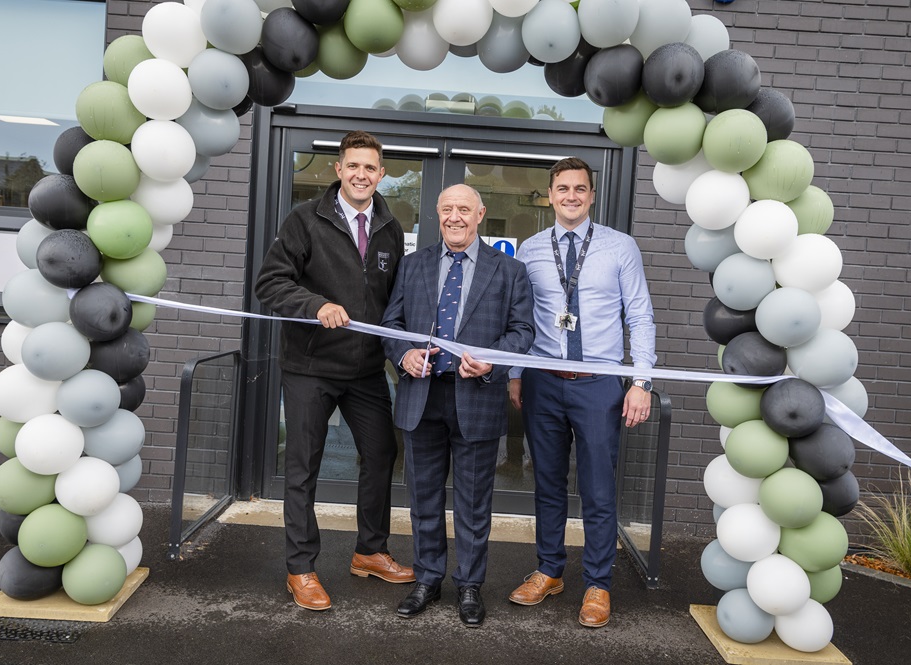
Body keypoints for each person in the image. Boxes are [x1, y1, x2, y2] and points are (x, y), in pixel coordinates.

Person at [254, 130, 414, 612]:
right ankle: (300, 568)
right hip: (311, 366)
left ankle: (370, 551)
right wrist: (315, 303)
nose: (362, 174)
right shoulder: (306, 219)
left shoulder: (390, 228)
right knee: (303, 467)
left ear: (381, 174)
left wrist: (400, 351)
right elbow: (270, 283)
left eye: (371, 168)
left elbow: (392, 302)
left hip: (365, 369)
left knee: (381, 454)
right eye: (354, 166)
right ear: (339, 170)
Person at [506, 157, 656, 628]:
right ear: (549, 195)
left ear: (591, 196)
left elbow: (640, 315)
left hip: (599, 385)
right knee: (546, 481)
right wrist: (514, 374)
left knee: (596, 487)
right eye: (562, 188)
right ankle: (549, 570)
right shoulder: (529, 250)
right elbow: (519, 318)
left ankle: (597, 583)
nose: (571, 196)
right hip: (543, 383)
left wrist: (641, 381)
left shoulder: (620, 247)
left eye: (580, 189)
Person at [380, 184, 535, 627]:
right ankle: (428, 579)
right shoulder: (413, 266)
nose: (455, 217)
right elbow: (391, 324)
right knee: (423, 498)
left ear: (480, 213)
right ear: (437, 213)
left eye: (463, 209)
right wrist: (403, 353)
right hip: (421, 395)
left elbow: (523, 332)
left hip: (478, 396)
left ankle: (469, 585)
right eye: (447, 209)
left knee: (472, 503)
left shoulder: (509, 270)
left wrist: (491, 362)